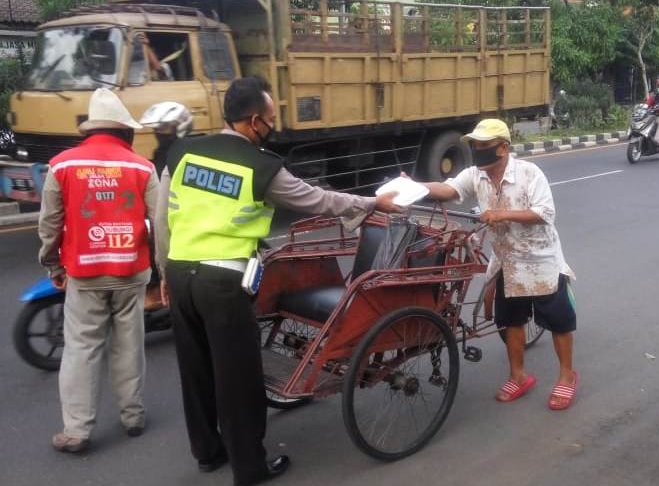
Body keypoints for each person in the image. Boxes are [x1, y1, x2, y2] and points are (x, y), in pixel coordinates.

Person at [154, 76, 402, 486]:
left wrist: (165, 271)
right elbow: (318, 199)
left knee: (195, 369)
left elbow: (163, 217)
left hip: (181, 275)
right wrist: (373, 202)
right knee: (238, 378)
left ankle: (208, 452)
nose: (273, 126)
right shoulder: (260, 165)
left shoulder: (181, 153)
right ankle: (249, 468)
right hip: (224, 281)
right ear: (253, 122)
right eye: (270, 119)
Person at [414, 118, 578, 410]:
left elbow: (544, 212)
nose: (477, 151)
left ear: (503, 148)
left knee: (559, 322)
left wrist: (502, 215)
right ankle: (518, 376)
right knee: (509, 321)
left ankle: (566, 376)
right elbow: (448, 190)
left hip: (540, 259)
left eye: (484, 146)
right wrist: (413, 187)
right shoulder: (476, 175)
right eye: (475, 146)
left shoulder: (529, 173)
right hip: (505, 261)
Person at [38, 88, 158, 453]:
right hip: (131, 272)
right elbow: (161, 224)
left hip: (85, 275)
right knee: (129, 345)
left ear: (89, 131)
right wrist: (163, 270)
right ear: (124, 131)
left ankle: (76, 430)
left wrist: (52, 263)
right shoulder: (142, 167)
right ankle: (132, 416)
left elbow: (49, 224)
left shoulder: (62, 166)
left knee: (81, 349)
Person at [139, 102, 194, 308]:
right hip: (158, 209)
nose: (160, 133)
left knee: (156, 234)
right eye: (158, 129)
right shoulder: (160, 153)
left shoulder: (185, 153)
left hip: (181, 214)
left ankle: (162, 287)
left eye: (165, 129)